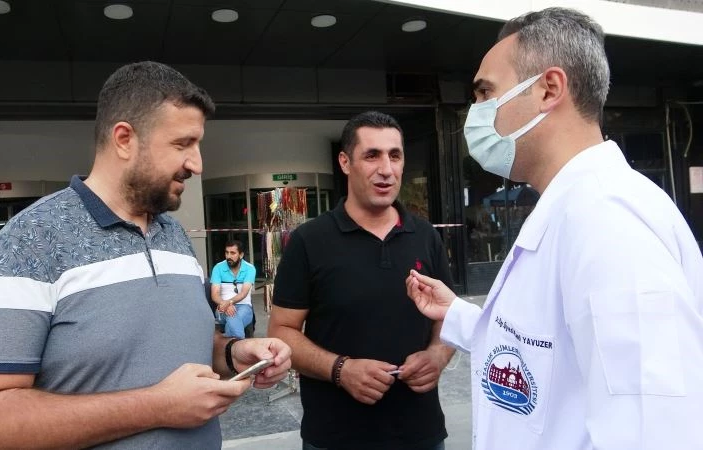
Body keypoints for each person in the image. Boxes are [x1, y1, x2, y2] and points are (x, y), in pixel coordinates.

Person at [0, 61, 292, 450]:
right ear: (124, 139)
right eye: (182, 144)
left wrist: (233, 353)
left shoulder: (175, 235)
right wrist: (157, 407)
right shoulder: (29, 241)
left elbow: (180, 344)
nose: (197, 164)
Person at [406, 8, 703, 450]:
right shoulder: (572, 206)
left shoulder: (609, 220)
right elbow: (543, 350)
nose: (476, 112)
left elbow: (651, 430)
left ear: (548, 89)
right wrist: (458, 314)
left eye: (486, 92)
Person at [268, 111, 455, 450]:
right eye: (372, 155)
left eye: (395, 155)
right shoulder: (309, 241)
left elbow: (449, 318)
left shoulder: (426, 236)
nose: (386, 169)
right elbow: (281, 332)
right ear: (345, 162)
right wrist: (341, 369)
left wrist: (437, 355)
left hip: (420, 434)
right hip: (335, 437)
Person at [210, 240, 256, 339]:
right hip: (222, 307)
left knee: (233, 319)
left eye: (232, 253)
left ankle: (230, 342)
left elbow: (243, 293)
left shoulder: (250, 268)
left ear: (241, 255)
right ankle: (240, 345)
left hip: (244, 307)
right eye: (227, 253)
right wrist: (225, 304)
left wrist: (229, 302)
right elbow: (215, 294)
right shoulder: (218, 268)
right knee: (232, 316)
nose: (228, 256)